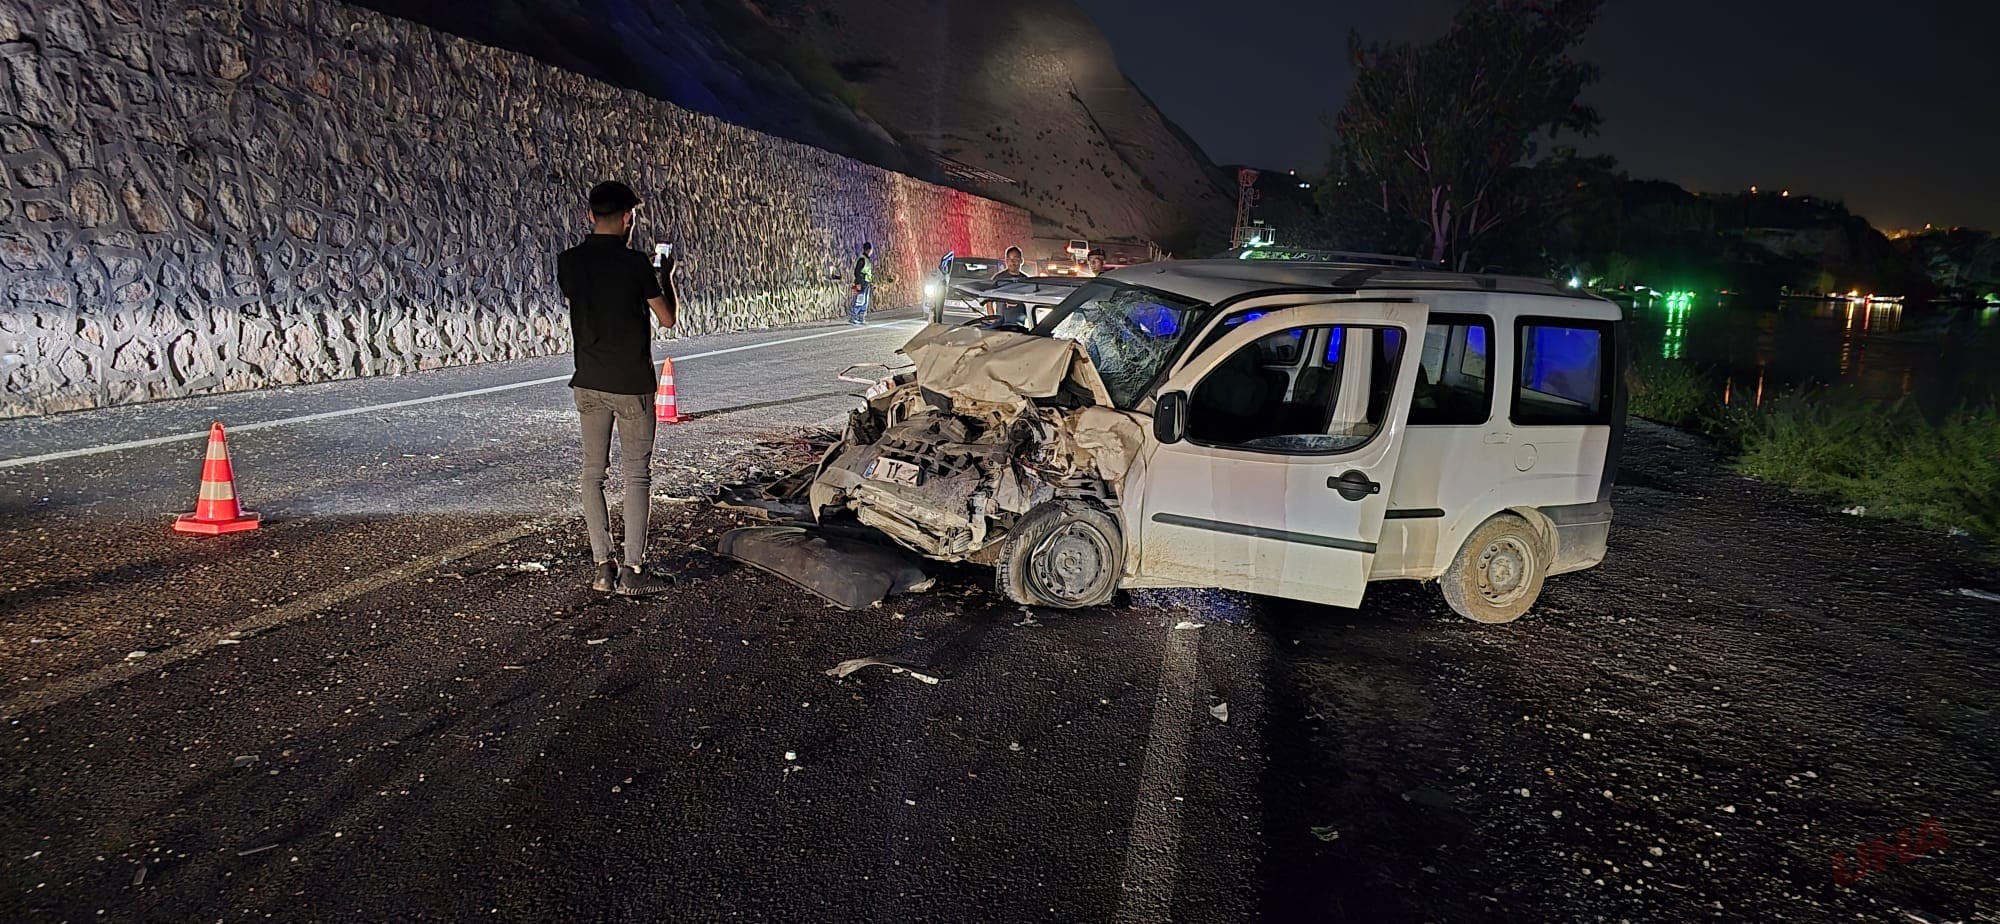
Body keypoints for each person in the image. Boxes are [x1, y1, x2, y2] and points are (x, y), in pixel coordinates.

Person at [556, 180, 677, 596]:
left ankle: (601, 567)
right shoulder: (636, 264)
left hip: (588, 380)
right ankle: (633, 571)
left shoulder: (568, 262)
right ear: (628, 218)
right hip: (630, 385)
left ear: (590, 215)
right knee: (636, 476)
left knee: (593, 475)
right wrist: (666, 277)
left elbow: (585, 303)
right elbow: (666, 318)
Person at [985, 245, 1032, 327]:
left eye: (1016, 259)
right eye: (1010, 259)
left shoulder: (1026, 280)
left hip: (1019, 325)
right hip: (1001, 324)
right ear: (1006, 261)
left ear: (1021, 261)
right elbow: (988, 300)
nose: (1013, 262)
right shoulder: (998, 278)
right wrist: (992, 318)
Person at [849, 242, 874, 325]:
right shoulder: (862, 259)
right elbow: (857, 271)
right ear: (869, 250)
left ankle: (861, 317)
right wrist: (859, 283)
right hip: (861, 283)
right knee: (859, 300)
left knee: (865, 302)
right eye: (871, 250)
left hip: (866, 283)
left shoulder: (866, 259)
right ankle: (854, 317)